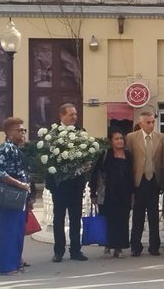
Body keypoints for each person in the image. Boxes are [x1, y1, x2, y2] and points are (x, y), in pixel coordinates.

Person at [0, 117, 33, 275]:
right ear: (9, 133)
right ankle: (7, 266)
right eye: (19, 130)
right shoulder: (6, 148)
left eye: (24, 130)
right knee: (9, 232)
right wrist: (20, 184)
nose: (23, 133)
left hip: (20, 196)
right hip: (10, 197)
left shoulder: (15, 148)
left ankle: (15, 263)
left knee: (17, 232)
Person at [49, 103, 88, 263]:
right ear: (62, 116)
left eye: (76, 114)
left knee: (75, 218)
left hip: (76, 184)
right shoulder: (52, 134)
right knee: (58, 219)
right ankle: (59, 251)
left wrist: (86, 164)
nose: (74, 117)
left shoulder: (81, 133)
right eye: (71, 114)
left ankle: (76, 250)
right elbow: (48, 159)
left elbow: (87, 154)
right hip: (58, 185)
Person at [127, 110, 164, 257]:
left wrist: (162, 181)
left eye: (153, 122)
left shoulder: (160, 137)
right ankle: (135, 246)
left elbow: (163, 160)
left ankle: (154, 246)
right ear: (141, 123)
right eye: (148, 122)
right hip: (139, 180)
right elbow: (129, 160)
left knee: (153, 215)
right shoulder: (131, 138)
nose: (151, 125)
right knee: (138, 215)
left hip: (154, 181)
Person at [92, 130, 134, 258]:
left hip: (124, 194)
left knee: (122, 221)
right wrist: (93, 193)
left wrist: (133, 194)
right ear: (111, 141)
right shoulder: (105, 154)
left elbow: (131, 175)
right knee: (108, 220)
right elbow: (95, 174)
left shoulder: (128, 155)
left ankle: (119, 247)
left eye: (121, 138)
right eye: (117, 139)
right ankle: (108, 245)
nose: (120, 141)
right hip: (108, 194)